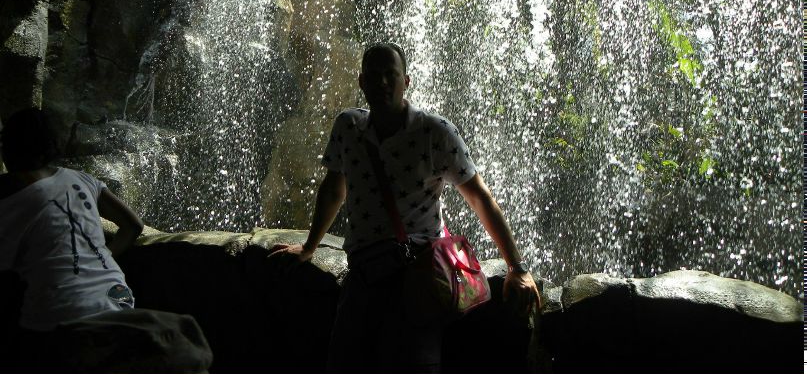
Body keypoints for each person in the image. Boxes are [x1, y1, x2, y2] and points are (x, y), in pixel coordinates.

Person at [272, 42, 542, 373]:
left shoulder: (436, 132)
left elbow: (479, 198)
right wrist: (309, 247)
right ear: (361, 82)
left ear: (407, 81)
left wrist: (517, 266)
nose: (383, 82)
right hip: (363, 275)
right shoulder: (348, 127)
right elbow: (333, 190)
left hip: (419, 276)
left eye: (391, 74)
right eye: (374, 75)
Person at [0, 108, 212, 373]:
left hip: (62, 315)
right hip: (117, 297)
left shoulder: (8, 198)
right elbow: (133, 225)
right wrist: (102, 256)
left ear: (8, 150)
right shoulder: (81, 178)